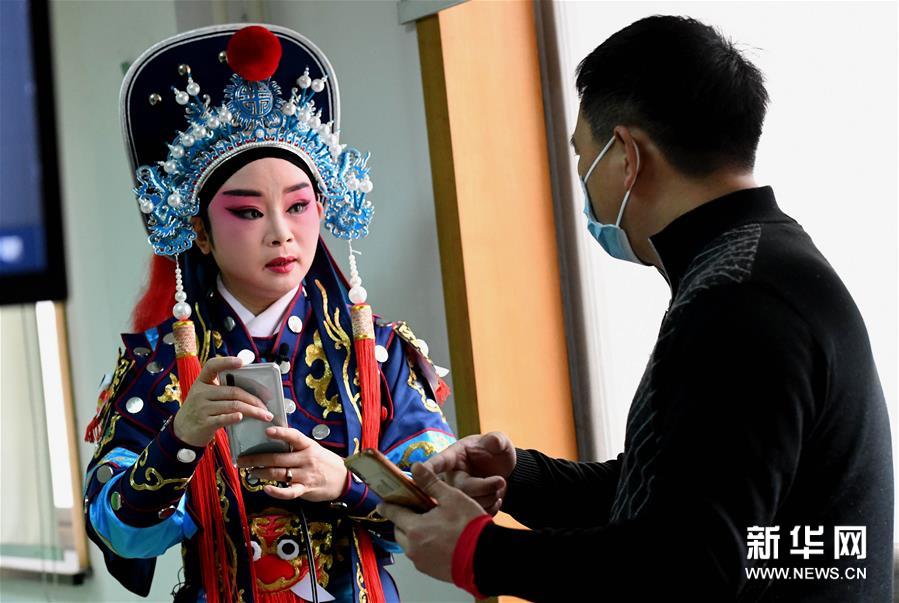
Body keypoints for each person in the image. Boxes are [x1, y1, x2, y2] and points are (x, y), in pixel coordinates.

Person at [379, 15, 894, 602]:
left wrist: (479, 553)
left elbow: (688, 563)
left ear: (626, 155)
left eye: (582, 157)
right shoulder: (758, 267)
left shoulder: (739, 304)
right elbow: (670, 492)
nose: (584, 180)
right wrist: (520, 477)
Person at [82, 25, 455, 603]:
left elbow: (443, 513)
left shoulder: (377, 355)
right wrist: (181, 438)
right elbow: (118, 533)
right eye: (249, 212)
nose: (282, 233)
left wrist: (344, 483)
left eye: (299, 205)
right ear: (200, 232)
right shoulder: (157, 365)